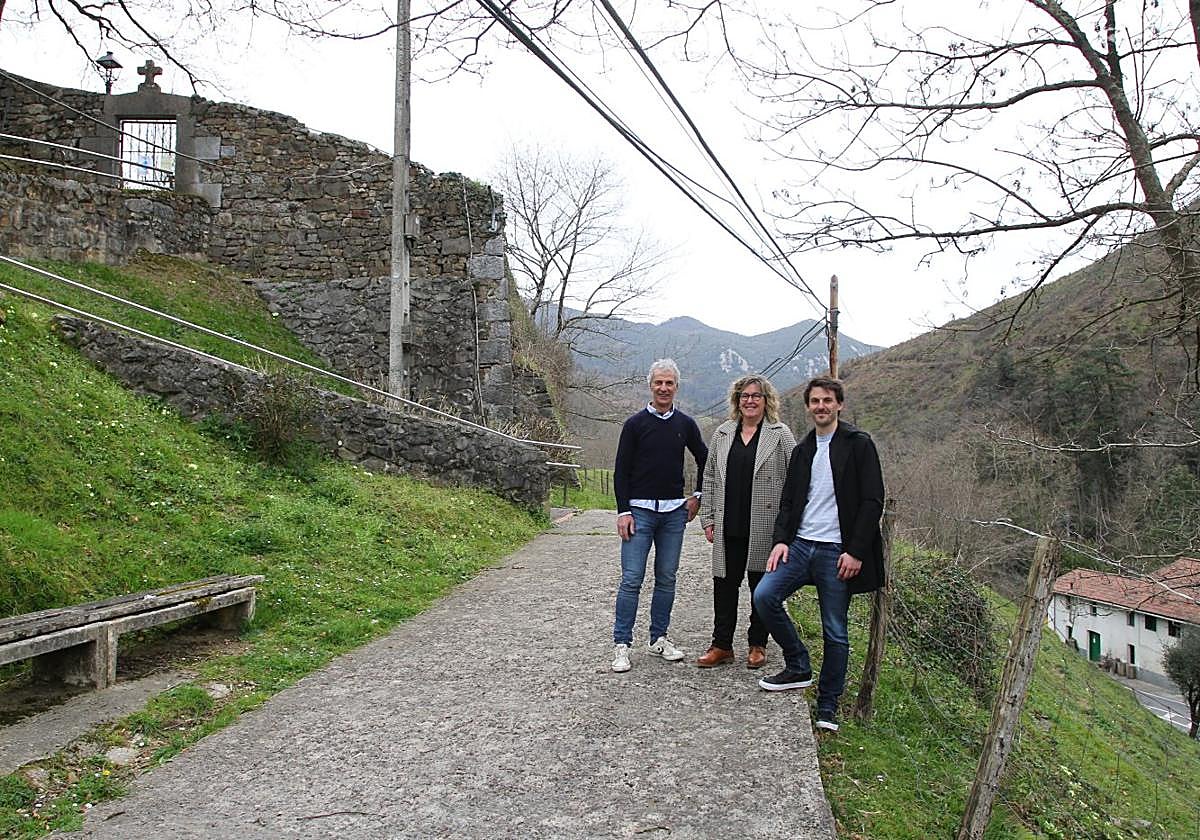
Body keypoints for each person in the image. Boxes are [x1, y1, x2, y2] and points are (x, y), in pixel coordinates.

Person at [753, 376, 884, 732]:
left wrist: (855, 551)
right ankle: (798, 665)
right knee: (764, 596)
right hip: (800, 545)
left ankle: (828, 705)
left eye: (827, 400)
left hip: (837, 552)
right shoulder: (803, 449)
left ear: (839, 404)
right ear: (808, 407)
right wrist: (781, 540)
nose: (821, 407)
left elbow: (873, 502)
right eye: (815, 401)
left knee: (835, 630)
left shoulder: (859, 445)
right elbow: (789, 501)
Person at [611, 359, 708, 673]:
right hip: (639, 512)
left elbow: (707, 459)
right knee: (632, 579)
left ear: (676, 387)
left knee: (667, 578)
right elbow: (621, 471)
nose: (664, 388)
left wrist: (698, 496)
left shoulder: (686, 424)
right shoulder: (635, 424)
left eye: (669, 383)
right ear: (650, 386)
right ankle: (622, 645)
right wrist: (623, 510)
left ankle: (658, 639)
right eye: (659, 383)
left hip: (673, 514)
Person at [697, 375, 796, 670]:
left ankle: (758, 644)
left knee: (760, 588)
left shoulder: (780, 434)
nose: (750, 401)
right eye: (744, 396)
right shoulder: (723, 434)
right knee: (724, 586)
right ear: (737, 401)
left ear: (767, 401)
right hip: (729, 524)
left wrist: (788, 525)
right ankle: (721, 645)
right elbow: (711, 476)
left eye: (756, 396)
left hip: (764, 526)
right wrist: (708, 518)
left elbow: (796, 478)